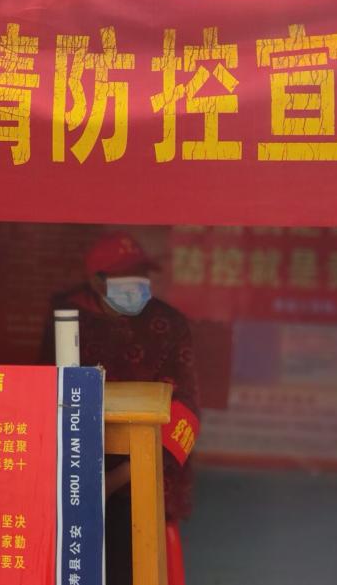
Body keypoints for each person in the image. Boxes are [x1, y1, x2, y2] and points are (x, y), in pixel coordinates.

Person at [42, 230, 199, 585]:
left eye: (142, 275)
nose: (138, 285)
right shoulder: (66, 318)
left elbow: (187, 410)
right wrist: (84, 476)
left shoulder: (170, 325)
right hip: (78, 474)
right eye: (126, 277)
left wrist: (121, 476)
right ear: (97, 281)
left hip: (147, 475)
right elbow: (48, 392)